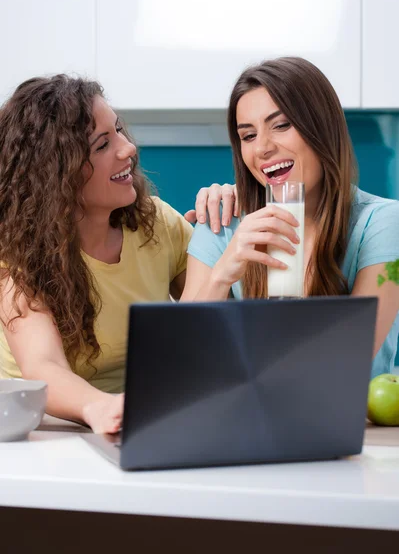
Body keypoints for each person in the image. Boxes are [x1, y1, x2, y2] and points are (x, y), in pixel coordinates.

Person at [0, 75, 235, 433]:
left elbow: (215, 321)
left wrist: (223, 232)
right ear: (57, 173)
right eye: (102, 144)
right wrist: (103, 407)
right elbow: (43, 366)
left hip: (140, 419)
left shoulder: (156, 223)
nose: (128, 149)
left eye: (120, 130)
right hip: (46, 433)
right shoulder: (16, 255)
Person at [182, 57, 399, 379]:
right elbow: (181, 360)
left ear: (322, 128)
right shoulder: (222, 224)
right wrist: (221, 276)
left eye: (281, 125)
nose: (263, 149)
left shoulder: (384, 225)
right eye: (248, 135)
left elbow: (348, 359)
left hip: (350, 425)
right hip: (243, 421)